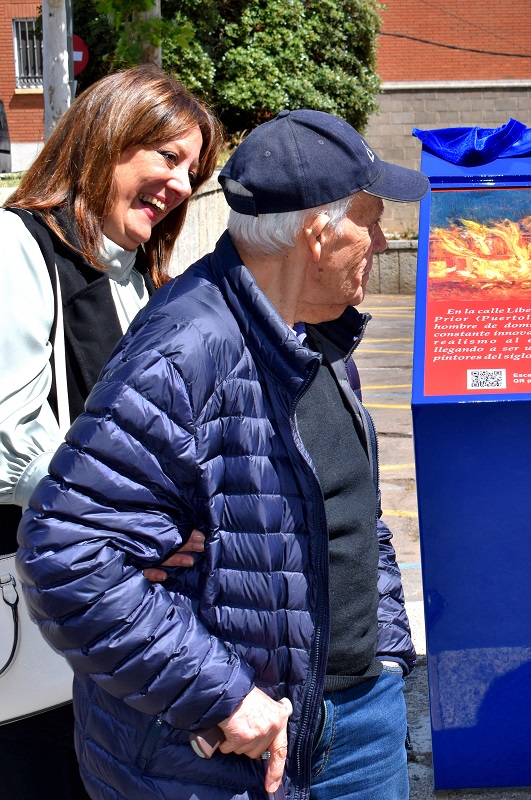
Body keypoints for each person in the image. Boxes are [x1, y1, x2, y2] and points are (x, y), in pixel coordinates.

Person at [16, 108, 428, 800]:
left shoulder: (320, 336)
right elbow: (64, 558)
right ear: (317, 234)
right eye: (372, 219)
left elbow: (354, 515)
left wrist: (385, 655)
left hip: (360, 721)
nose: (383, 242)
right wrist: (223, 698)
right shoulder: (184, 348)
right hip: (222, 755)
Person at [0, 65, 221, 799]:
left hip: (113, 617)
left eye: (193, 170)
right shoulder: (17, 247)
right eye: (167, 156)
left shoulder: (139, 275)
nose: (182, 186)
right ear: (106, 139)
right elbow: (7, 439)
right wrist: (131, 518)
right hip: (38, 612)